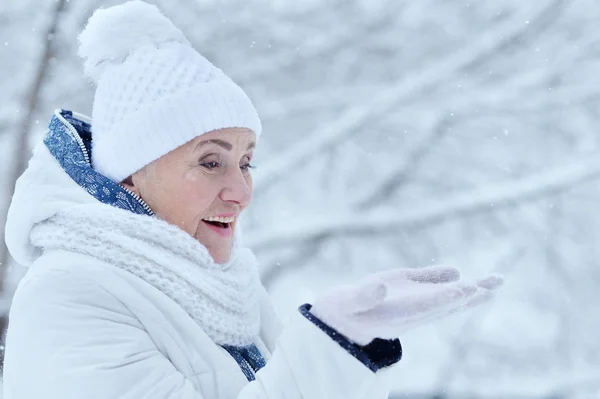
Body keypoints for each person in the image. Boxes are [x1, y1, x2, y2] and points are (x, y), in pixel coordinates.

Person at [2, 1, 503, 398]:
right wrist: (330, 347)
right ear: (132, 173)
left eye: (246, 162)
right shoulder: (69, 298)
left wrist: (351, 348)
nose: (242, 193)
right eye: (211, 161)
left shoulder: (226, 287)